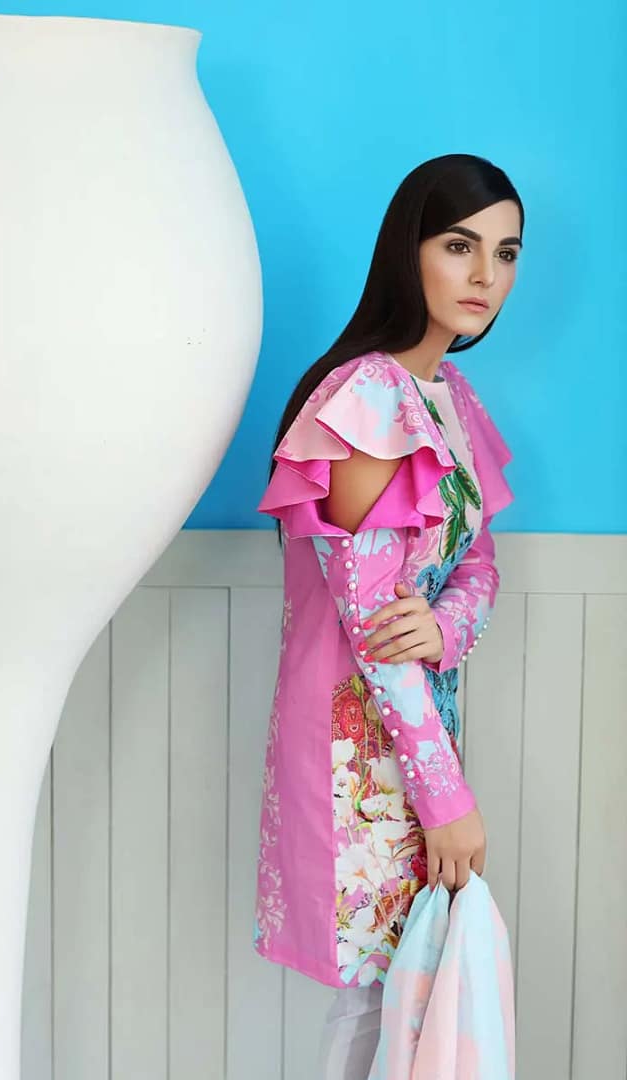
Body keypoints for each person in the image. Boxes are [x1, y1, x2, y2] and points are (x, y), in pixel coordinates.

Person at [252, 153, 521, 1080]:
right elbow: (372, 626)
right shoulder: (365, 399)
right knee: (374, 997)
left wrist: (447, 626)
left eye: (505, 253)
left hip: (421, 729)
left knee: (409, 987)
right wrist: (447, 801)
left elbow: (478, 564)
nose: (485, 275)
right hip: (353, 748)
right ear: (409, 252)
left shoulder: (450, 396)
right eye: (459, 246)